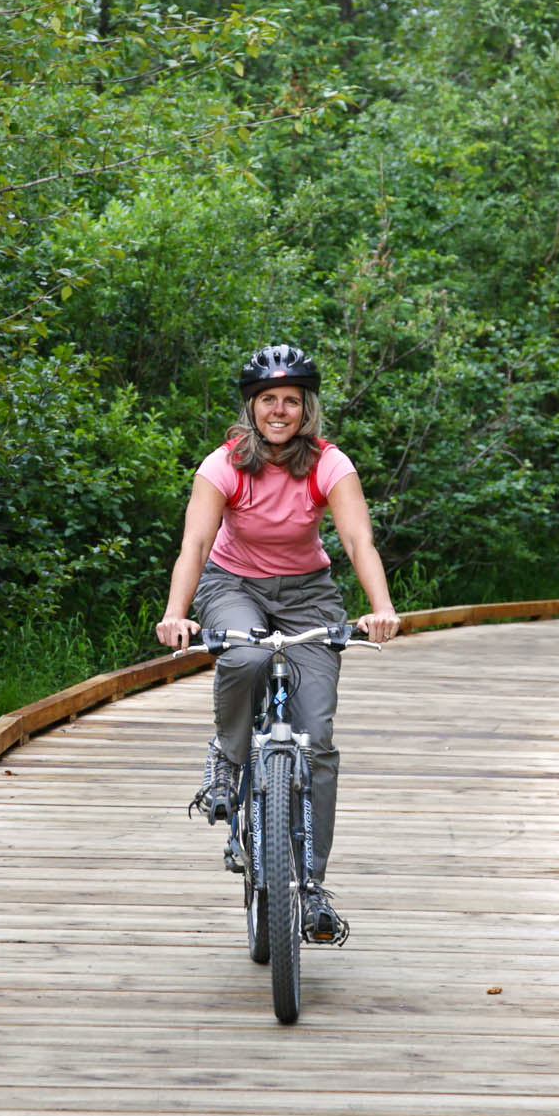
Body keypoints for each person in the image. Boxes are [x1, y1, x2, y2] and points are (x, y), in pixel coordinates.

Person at [154, 343, 400, 942]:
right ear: (252, 408)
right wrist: (175, 614)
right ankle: (228, 759)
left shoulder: (329, 464)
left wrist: (382, 607)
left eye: (292, 400)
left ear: (306, 407)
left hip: (310, 594)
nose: (281, 410)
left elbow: (357, 540)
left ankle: (311, 887)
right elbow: (193, 545)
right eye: (269, 400)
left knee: (316, 740)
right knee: (247, 655)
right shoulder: (222, 466)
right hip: (233, 583)